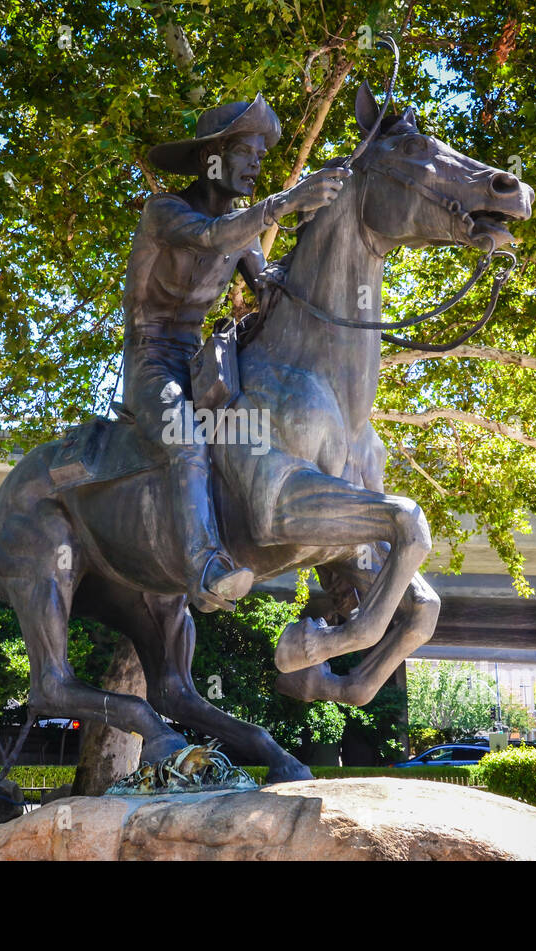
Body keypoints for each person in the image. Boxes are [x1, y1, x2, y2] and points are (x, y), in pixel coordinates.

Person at [123, 94, 350, 611]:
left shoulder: (243, 232)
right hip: (152, 359)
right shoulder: (165, 212)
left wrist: (333, 218)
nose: (255, 166)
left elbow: (272, 285)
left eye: (260, 158)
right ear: (212, 159)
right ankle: (205, 568)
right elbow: (208, 237)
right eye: (246, 153)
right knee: (185, 438)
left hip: (201, 360)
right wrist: (285, 202)